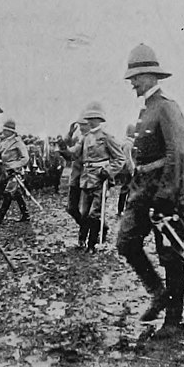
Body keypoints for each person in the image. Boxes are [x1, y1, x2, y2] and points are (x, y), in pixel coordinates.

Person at [116, 43, 184, 340]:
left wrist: (165, 194)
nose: (131, 82)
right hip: (143, 191)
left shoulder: (167, 107)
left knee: (170, 255)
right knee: (126, 242)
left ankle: (174, 321)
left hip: (164, 192)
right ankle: (158, 292)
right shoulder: (146, 110)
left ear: (149, 76)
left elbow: (178, 153)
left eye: (135, 77)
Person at [71, 102, 124, 254]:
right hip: (86, 179)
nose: (88, 121)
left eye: (90, 118)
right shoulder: (86, 137)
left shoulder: (106, 137)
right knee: (85, 212)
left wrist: (108, 170)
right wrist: (62, 146)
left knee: (94, 214)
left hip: (101, 180)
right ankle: (82, 240)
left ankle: (91, 244)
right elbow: (75, 154)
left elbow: (120, 158)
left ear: (97, 119)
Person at [0, 119, 30, 224]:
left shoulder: (18, 142)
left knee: (8, 193)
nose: (3, 132)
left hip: (15, 172)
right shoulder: (4, 142)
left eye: (5, 130)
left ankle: (0, 218)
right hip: (6, 171)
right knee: (16, 194)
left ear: (11, 131)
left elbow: (25, 158)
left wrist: (14, 166)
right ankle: (25, 214)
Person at [58, 115, 90, 247]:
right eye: (80, 125)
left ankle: (82, 238)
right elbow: (69, 154)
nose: (81, 128)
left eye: (84, 125)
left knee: (86, 210)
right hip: (76, 177)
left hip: (88, 179)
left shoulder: (93, 139)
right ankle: (96, 226)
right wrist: (67, 136)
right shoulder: (80, 139)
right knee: (71, 208)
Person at [117, 123, 136, 216]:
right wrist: (132, 171)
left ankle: (122, 210)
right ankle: (122, 210)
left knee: (126, 189)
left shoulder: (126, 142)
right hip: (127, 170)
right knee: (127, 189)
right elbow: (128, 158)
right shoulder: (128, 144)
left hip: (124, 169)